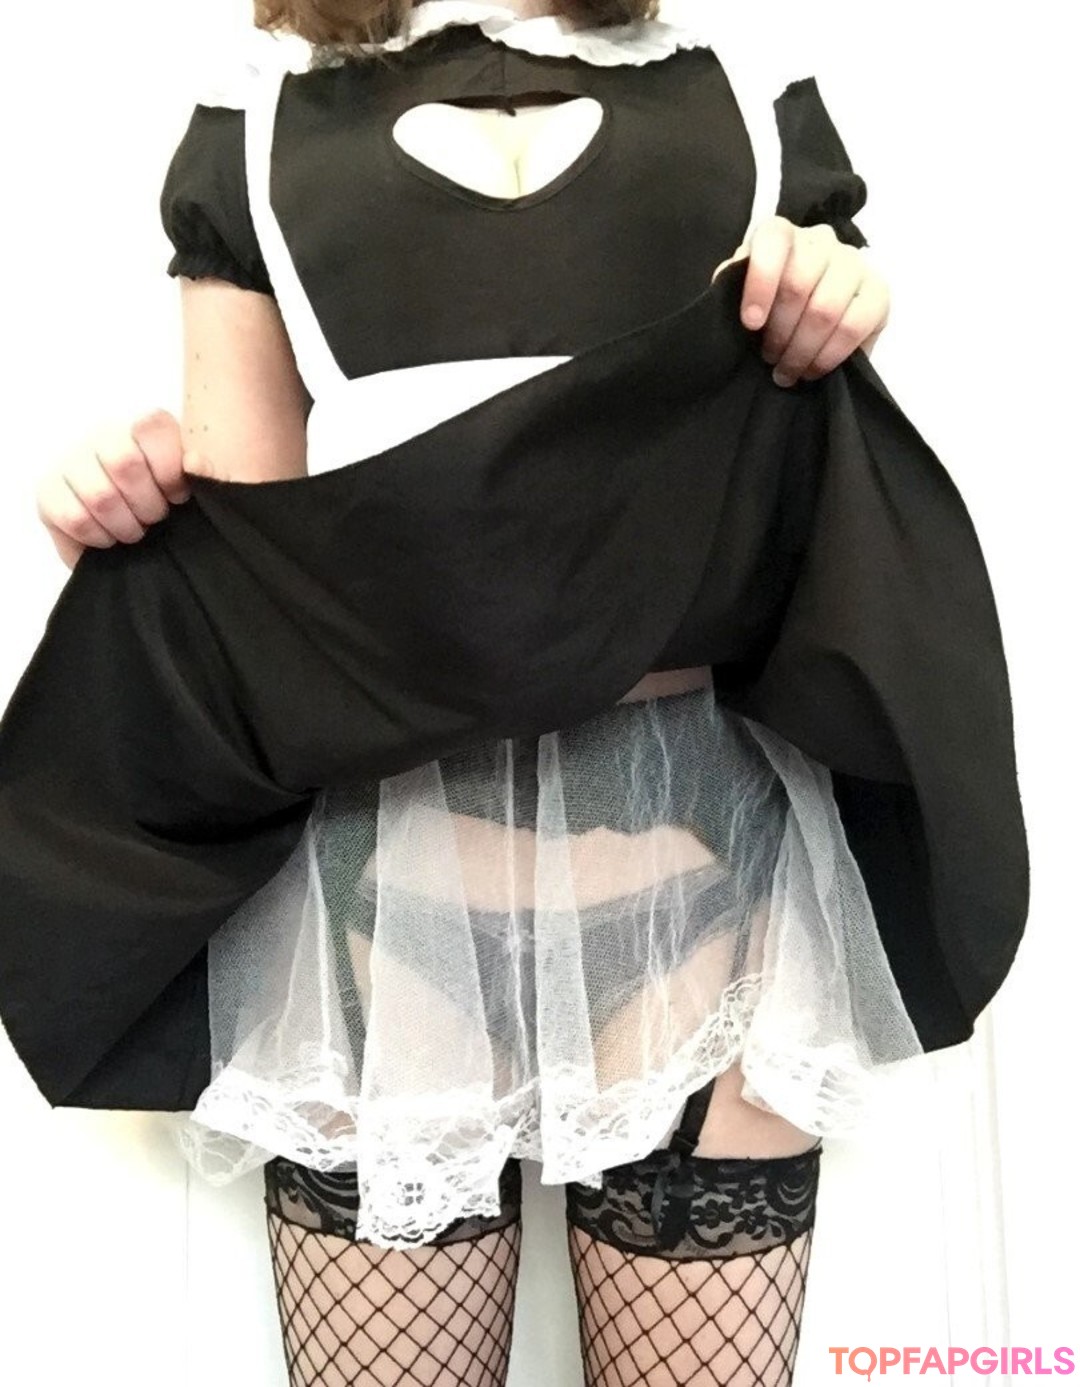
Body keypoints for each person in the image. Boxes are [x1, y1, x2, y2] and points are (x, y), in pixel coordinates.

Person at [34, 1, 902, 1383]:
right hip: (384, 907)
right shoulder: (259, 114)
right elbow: (257, 560)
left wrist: (838, 300)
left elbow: (810, 501)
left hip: (698, 890)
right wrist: (124, 506)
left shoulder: (742, 91)